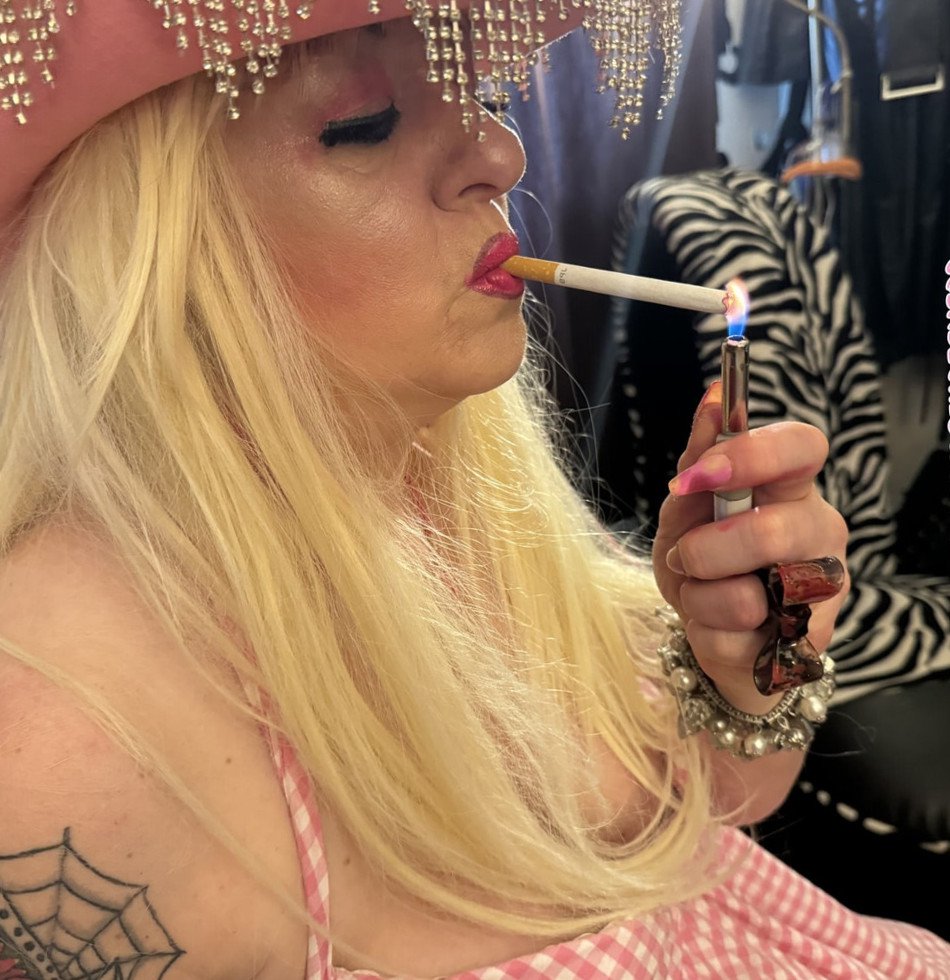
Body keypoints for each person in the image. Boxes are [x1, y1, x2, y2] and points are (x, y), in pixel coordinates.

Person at [0, 2, 946, 978]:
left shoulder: (453, 495)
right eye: (365, 123)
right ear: (149, 236)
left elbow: (725, 800)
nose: (500, 153)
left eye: (480, 97)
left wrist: (750, 667)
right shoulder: (61, 735)